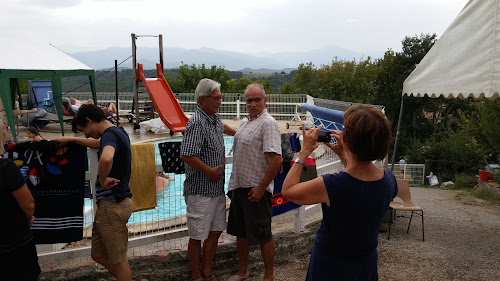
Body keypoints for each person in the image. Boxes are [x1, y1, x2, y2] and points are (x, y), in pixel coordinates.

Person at [281, 105, 397, 280]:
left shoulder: (332, 185)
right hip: (364, 265)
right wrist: (344, 155)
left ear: (349, 140)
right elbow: (361, 182)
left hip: (330, 266)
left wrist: (304, 153)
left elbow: (288, 190)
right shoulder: (389, 180)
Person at [54, 104, 133, 281]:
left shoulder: (110, 135)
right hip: (111, 205)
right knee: (98, 254)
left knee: (118, 260)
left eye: (84, 130)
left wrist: (103, 179)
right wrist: (71, 140)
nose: (85, 135)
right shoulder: (117, 131)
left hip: (113, 204)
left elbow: (106, 157)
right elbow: (98, 144)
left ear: (89, 121)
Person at [180, 78, 236, 281]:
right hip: (200, 189)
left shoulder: (213, 117)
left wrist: (239, 134)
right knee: (197, 235)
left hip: (216, 188)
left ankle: (207, 270)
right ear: (203, 99)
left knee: (215, 230)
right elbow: (186, 154)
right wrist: (208, 171)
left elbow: (222, 126)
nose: (220, 101)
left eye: (220, 97)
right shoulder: (196, 122)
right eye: (216, 98)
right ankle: (196, 275)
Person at [227, 83, 282, 281]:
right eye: (249, 100)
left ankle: (269, 276)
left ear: (265, 100)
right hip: (239, 185)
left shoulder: (268, 123)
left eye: (257, 99)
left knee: (263, 234)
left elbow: (276, 159)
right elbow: (243, 140)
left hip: (256, 188)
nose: (252, 104)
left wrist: (260, 188)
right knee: (240, 233)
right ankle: (243, 271)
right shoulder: (245, 122)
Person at [0, 115, 41, 280]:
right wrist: (28, 217)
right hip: (12, 240)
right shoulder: (5, 168)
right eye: (5, 128)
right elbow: (28, 204)